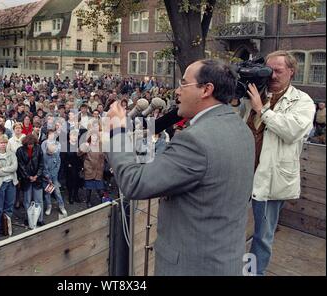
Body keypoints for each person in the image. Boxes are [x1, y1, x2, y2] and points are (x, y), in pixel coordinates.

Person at [106, 59, 255, 275]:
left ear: (206, 89)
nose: (177, 91)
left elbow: (135, 183)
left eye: (183, 84)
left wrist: (117, 132)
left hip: (191, 265)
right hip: (225, 258)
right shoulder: (242, 130)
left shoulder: (196, 140)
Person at [243, 50, 316, 276]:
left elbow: (292, 131)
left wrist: (261, 109)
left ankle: (252, 274)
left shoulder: (302, 101)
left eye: (278, 71)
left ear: (291, 71)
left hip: (271, 181)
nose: (272, 75)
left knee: (262, 237)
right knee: (233, 229)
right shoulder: (256, 94)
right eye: (269, 70)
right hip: (243, 175)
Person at [0, 134, 18, 237]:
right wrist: (8, 170)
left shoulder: (12, 154)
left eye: (5, 142)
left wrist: (3, 169)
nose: (3, 144)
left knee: (9, 206)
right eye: (1, 143)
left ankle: (7, 225)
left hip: (11, 183)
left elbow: (14, 167)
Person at [16, 134, 45, 227]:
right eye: (28, 144)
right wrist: (28, 177)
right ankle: (28, 218)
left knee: (39, 200)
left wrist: (37, 175)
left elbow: (41, 163)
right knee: (27, 200)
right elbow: (21, 166)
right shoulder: (20, 150)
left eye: (32, 144)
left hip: (38, 178)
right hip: (26, 179)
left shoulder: (38, 148)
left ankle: (40, 219)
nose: (30, 146)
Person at [78, 131, 106, 208]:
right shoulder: (86, 145)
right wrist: (84, 147)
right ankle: (88, 201)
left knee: (100, 188)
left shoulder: (101, 145)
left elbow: (106, 156)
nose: (94, 137)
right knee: (89, 189)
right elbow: (78, 153)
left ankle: (102, 201)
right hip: (89, 170)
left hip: (98, 170)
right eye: (92, 136)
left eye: (95, 136)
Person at [42, 142, 67, 217]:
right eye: (50, 151)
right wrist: (47, 177)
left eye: (52, 151)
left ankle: (61, 206)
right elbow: (43, 168)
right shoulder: (43, 156)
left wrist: (52, 177)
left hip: (54, 177)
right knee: (47, 193)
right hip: (46, 179)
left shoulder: (56, 155)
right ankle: (49, 206)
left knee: (57, 192)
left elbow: (57, 167)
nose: (51, 153)